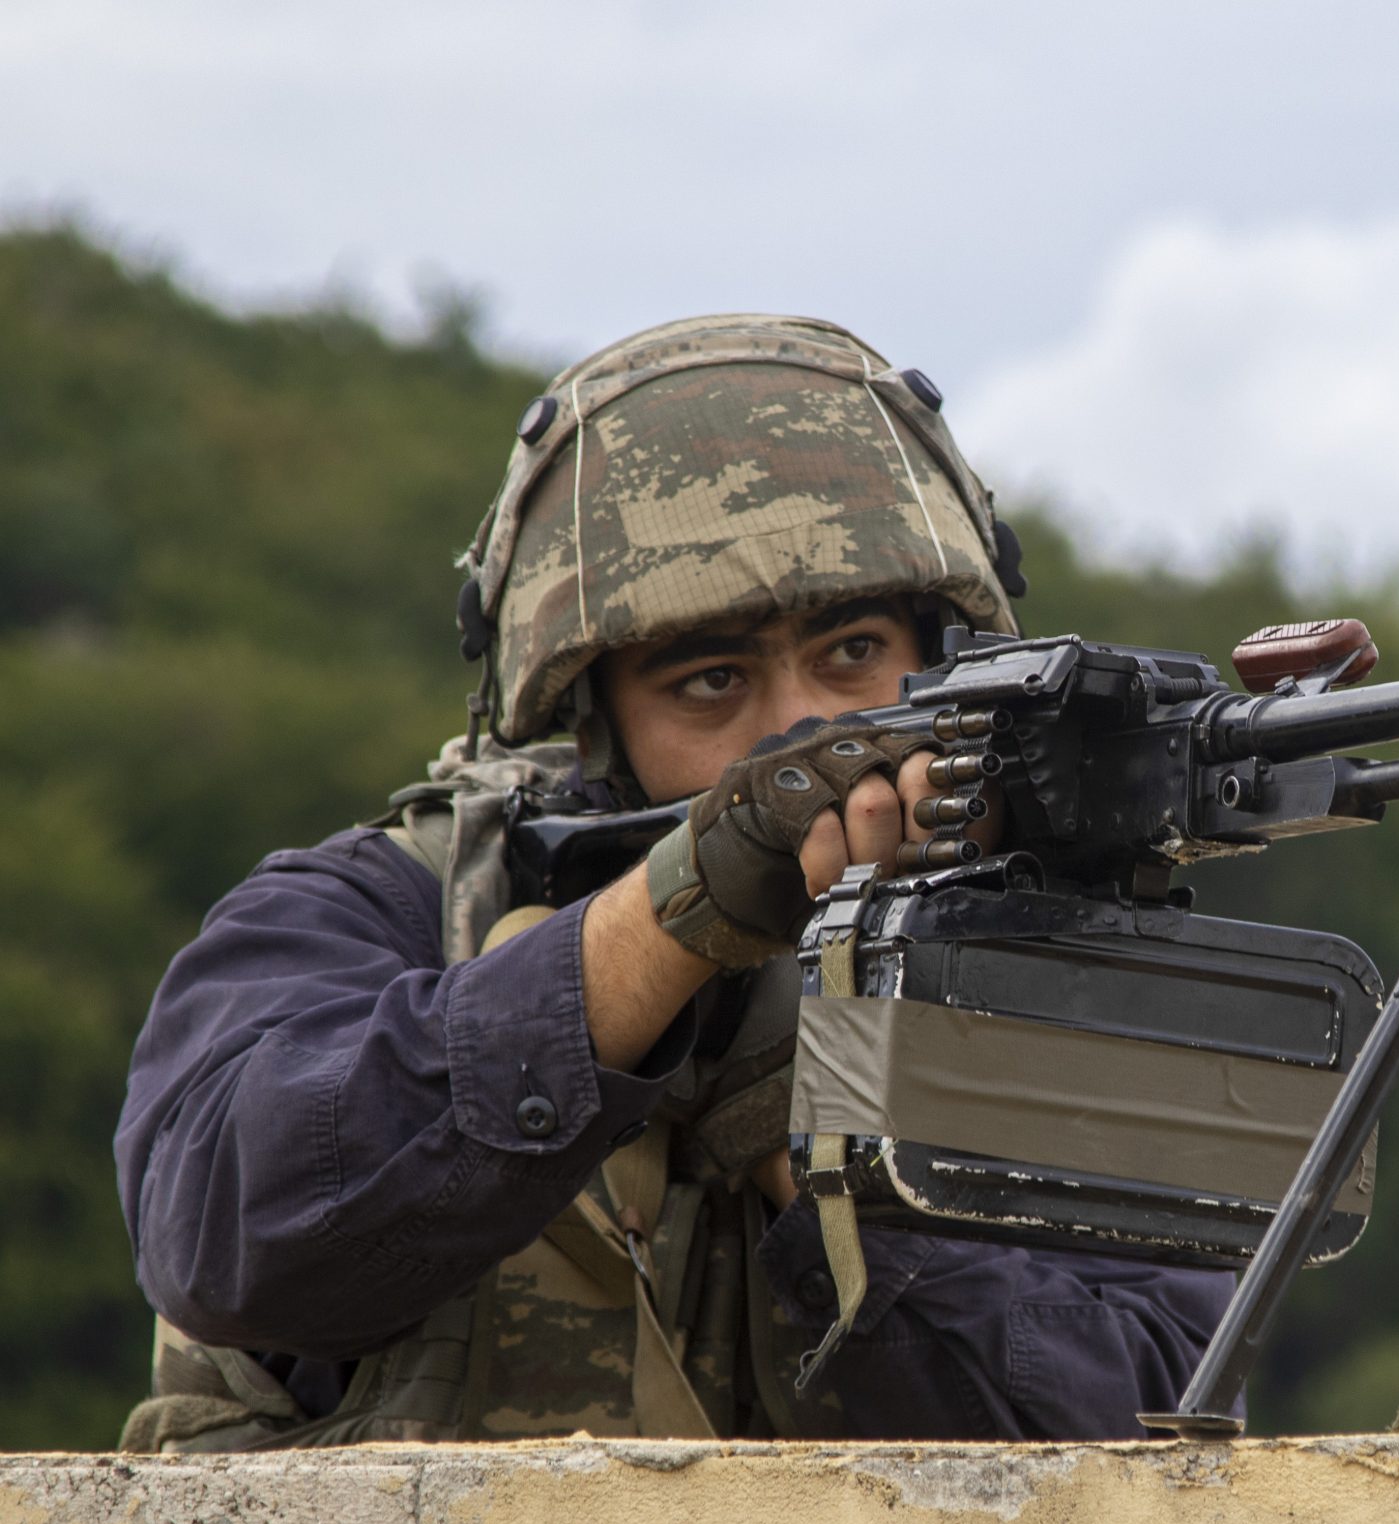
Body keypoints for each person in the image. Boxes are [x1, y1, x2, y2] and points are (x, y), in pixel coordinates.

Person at [113, 314, 1229, 1449]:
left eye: (852, 652)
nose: (800, 728)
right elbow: (222, 1235)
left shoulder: (1045, 981)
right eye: (709, 681)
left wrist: (818, 1130)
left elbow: (1136, 1440)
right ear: (596, 726)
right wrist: (665, 937)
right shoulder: (378, 912)